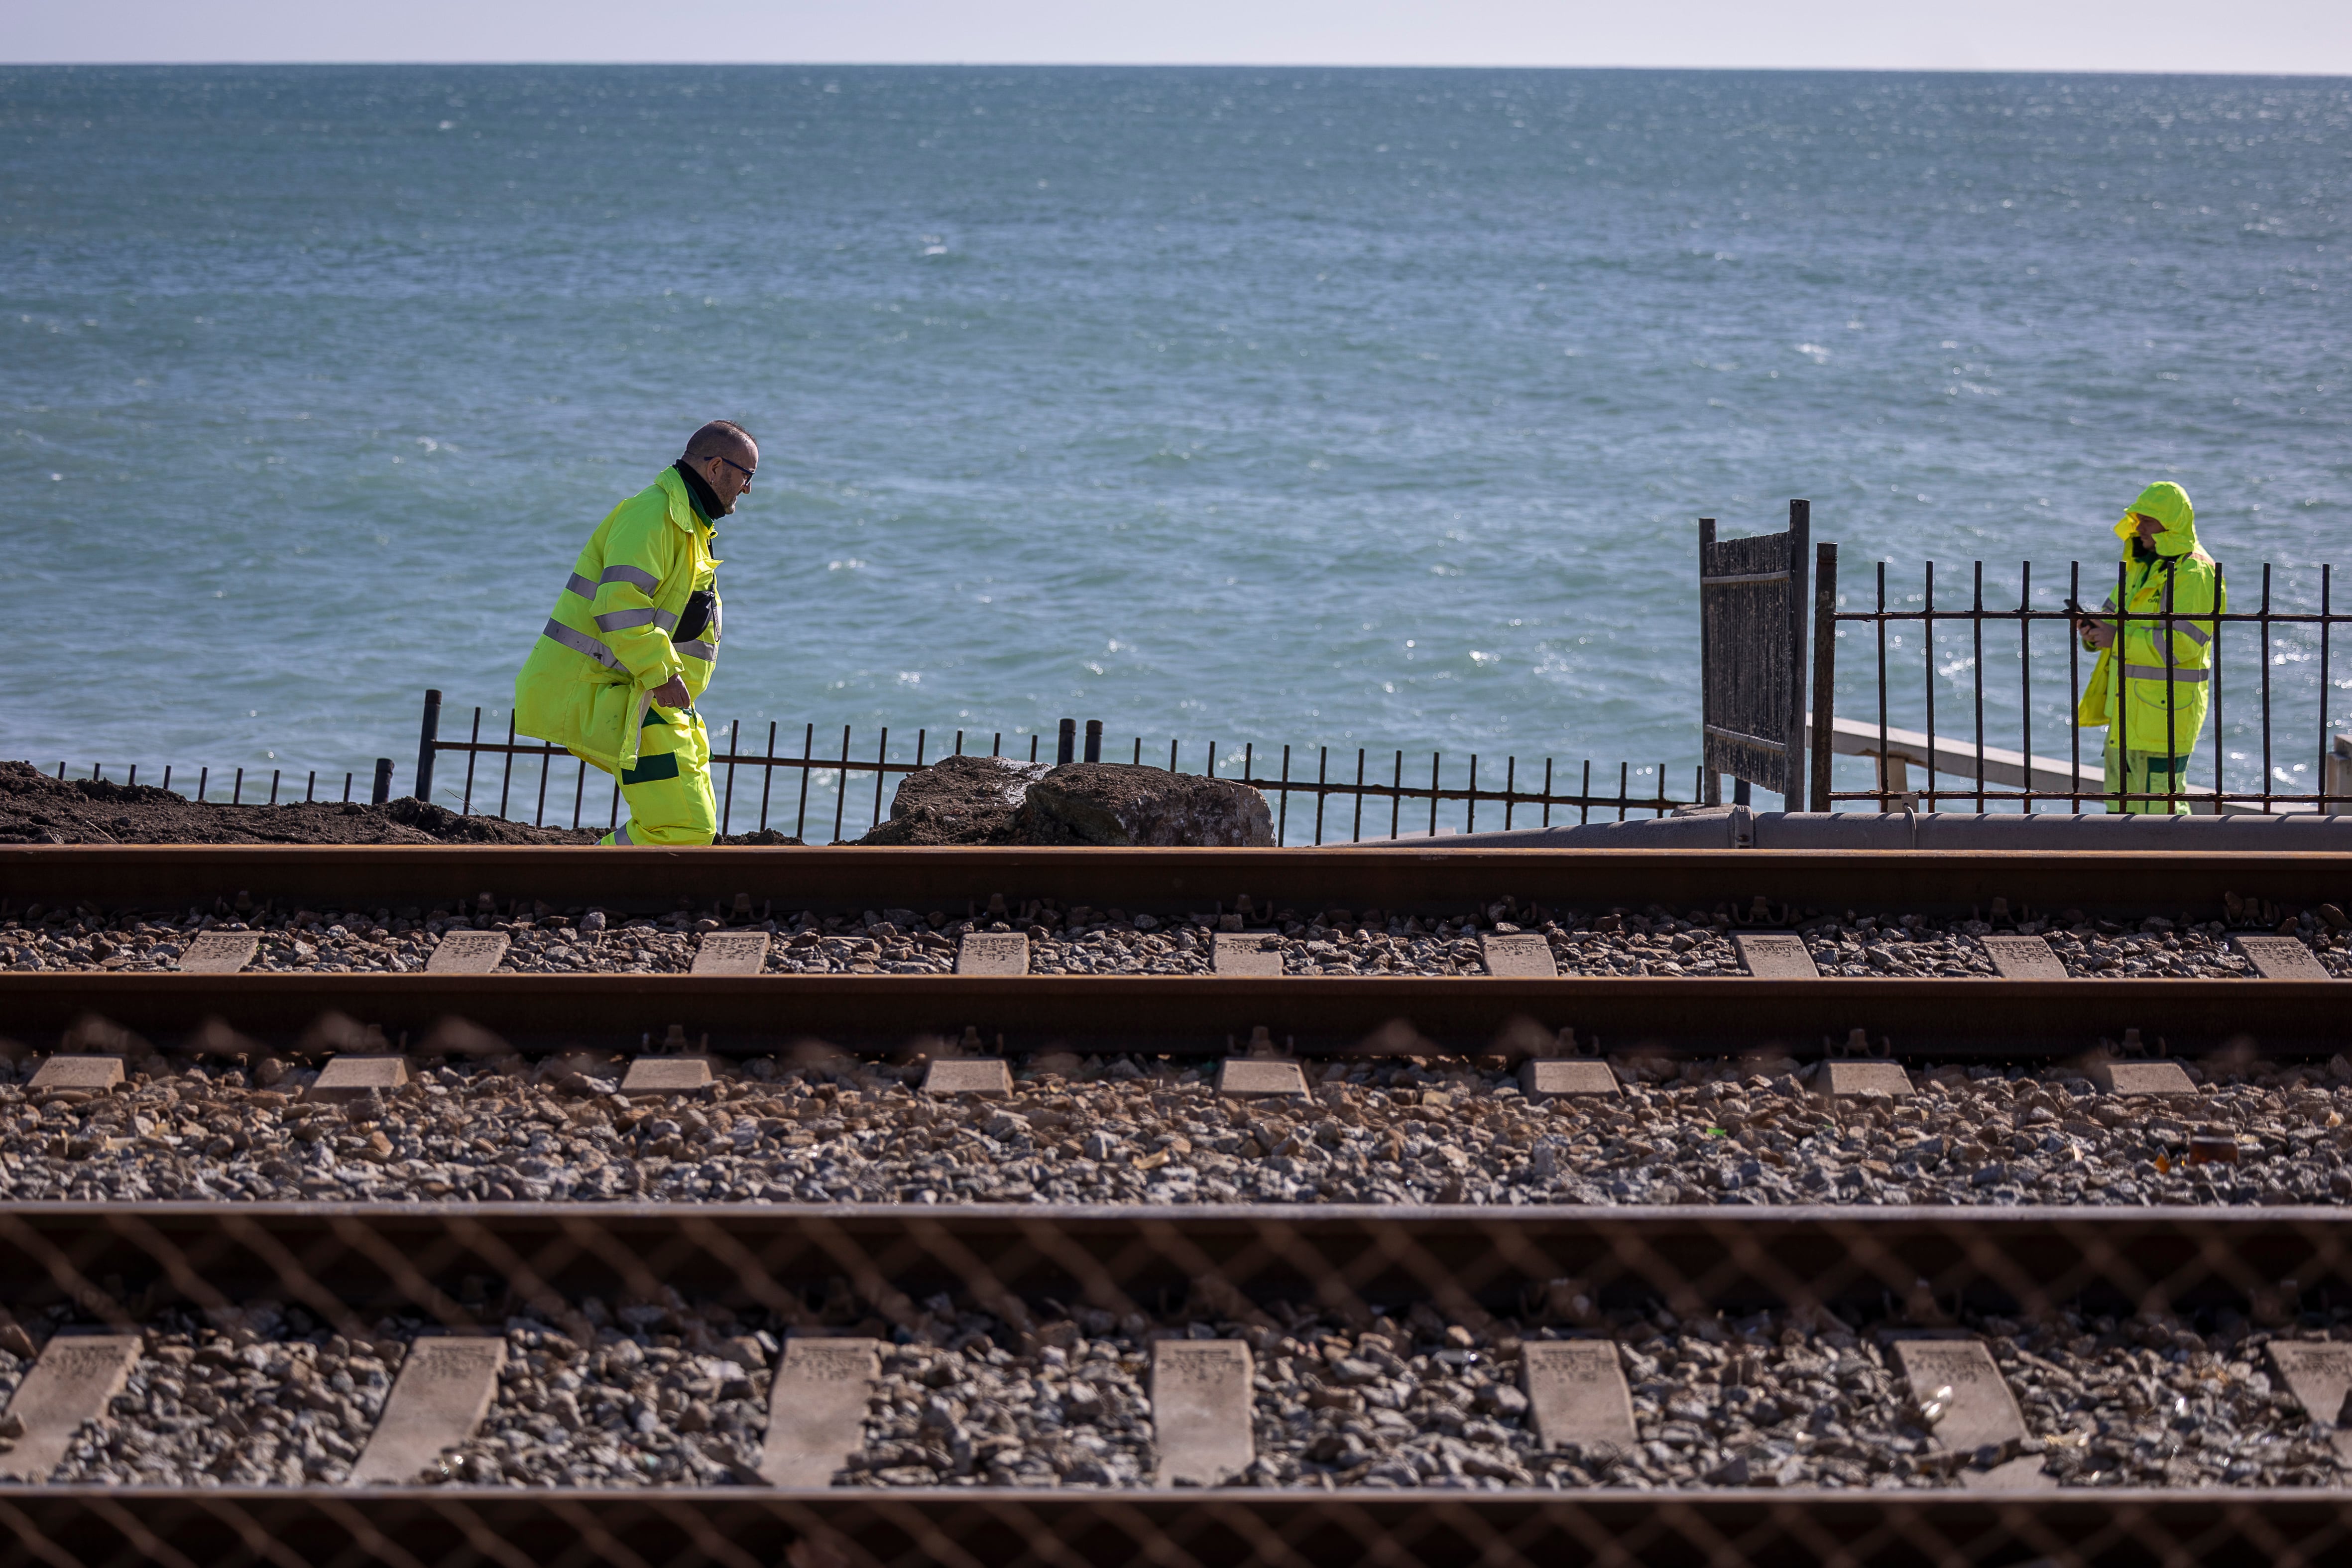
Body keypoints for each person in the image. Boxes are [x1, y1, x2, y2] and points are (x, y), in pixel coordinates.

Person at [513, 421, 756, 844]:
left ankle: (618, 882)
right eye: (747, 476)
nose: (748, 489)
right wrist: (662, 674)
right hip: (626, 698)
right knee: (686, 828)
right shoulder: (653, 515)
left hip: (648, 701)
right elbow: (619, 606)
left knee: (692, 827)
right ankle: (590, 879)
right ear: (717, 467)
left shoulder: (687, 522)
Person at [2072, 482, 2224, 815]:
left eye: (2148, 521)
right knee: (2121, 809)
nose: (2139, 528)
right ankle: (2125, 866)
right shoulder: (2142, 567)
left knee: (2162, 812)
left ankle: (2169, 867)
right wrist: (2092, 630)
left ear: (2172, 525)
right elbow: (2111, 617)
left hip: (2165, 716)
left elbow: (2182, 645)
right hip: (2127, 713)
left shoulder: (2195, 573)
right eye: (2137, 519)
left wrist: (2115, 638)